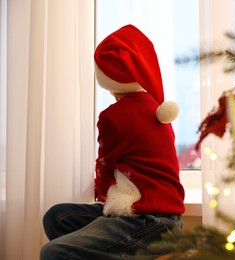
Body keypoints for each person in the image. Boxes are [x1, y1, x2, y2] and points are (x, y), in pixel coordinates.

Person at [40, 24, 185, 259]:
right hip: (165, 219)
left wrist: (101, 188)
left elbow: (106, 166)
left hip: (147, 221)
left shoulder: (114, 116)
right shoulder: (155, 107)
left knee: (53, 252)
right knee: (58, 217)